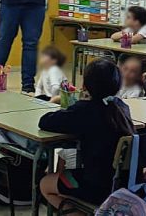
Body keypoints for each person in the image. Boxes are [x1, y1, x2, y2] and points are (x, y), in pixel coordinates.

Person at [38, 59, 136, 207]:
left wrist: (78, 103)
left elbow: (45, 121)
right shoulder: (122, 107)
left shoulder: (85, 110)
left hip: (95, 186)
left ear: (85, 86)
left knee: (45, 184)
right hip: (126, 183)